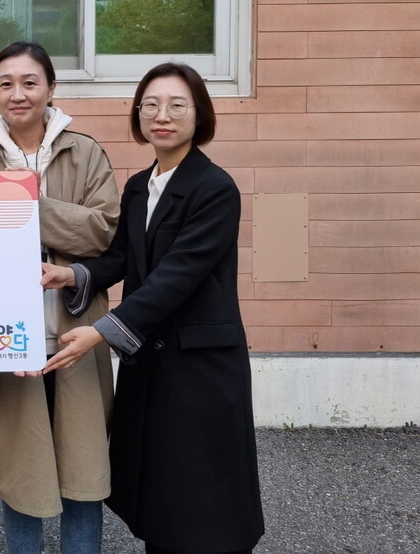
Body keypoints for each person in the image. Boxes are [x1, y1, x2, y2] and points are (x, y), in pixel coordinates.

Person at [41, 62, 265, 554]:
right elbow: (122, 257)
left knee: (206, 492)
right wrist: (72, 275)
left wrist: (101, 331)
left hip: (200, 363)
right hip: (153, 360)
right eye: (151, 106)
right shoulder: (141, 185)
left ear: (199, 114)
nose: (162, 116)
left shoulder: (215, 188)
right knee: (163, 489)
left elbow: (176, 276)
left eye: (177, 106)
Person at [0, 42, 120, 554]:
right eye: (5, 83)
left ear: (51, 88)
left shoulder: (85, 151)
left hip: (78, 331)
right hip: (7, 337)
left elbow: (102, 231)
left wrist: (21, 200)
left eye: (30, 82)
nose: (18, 94)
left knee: (83, 471)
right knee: (21, 469)